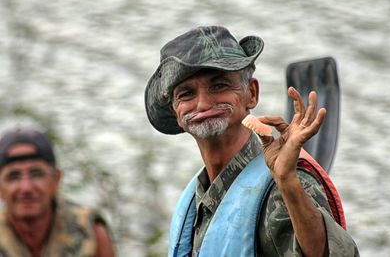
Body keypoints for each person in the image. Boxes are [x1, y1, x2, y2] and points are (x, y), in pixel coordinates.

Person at [145, 26, 359, 256]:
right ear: (175, 111)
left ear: (252, 93)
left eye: (219, 86)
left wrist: (288, 182)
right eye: (186, 94)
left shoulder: (286, 184)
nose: (203, 103)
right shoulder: (195, 199)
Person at [0, 127, 115, 257]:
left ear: (56, 179)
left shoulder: (89, 231)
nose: (26, 188)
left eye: (36, 174)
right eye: (13, 176)